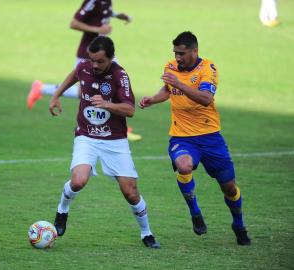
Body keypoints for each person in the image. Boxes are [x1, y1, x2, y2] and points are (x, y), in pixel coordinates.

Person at [139, 31, 251, 245]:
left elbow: (206, 99)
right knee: (183, 165)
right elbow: (168, 88)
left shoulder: (208, 68)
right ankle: (195, 213)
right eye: (175, 53)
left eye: (181, 53)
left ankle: (239, 224)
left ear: (194, 51)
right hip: (182, 137)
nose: (177, 58)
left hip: (210, 138)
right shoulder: (171, 66)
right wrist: (153, 99)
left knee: (229, 188)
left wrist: (180, 84)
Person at [49, 36, 160, 248]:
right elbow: (74, 74)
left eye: (100, 61)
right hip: (87, 136)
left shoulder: (120, 76)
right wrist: (56, 95)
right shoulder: (85, 67)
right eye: (92, 60)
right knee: (79, 180)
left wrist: (107, 104)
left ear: (111, 58)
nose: (95, 65)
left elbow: (130, 110)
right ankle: (62, 211)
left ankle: (147, 233)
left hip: (114, 140)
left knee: (130, 192)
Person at [27, 0, 142, 141]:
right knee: (107, 89)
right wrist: (97, 30)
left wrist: (117, 15)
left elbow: (100, 14)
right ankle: (115, 127)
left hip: (104, 54)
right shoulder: (92, 1)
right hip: (90, 54)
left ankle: (42, 89)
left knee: (101, 90)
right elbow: (74, 23)